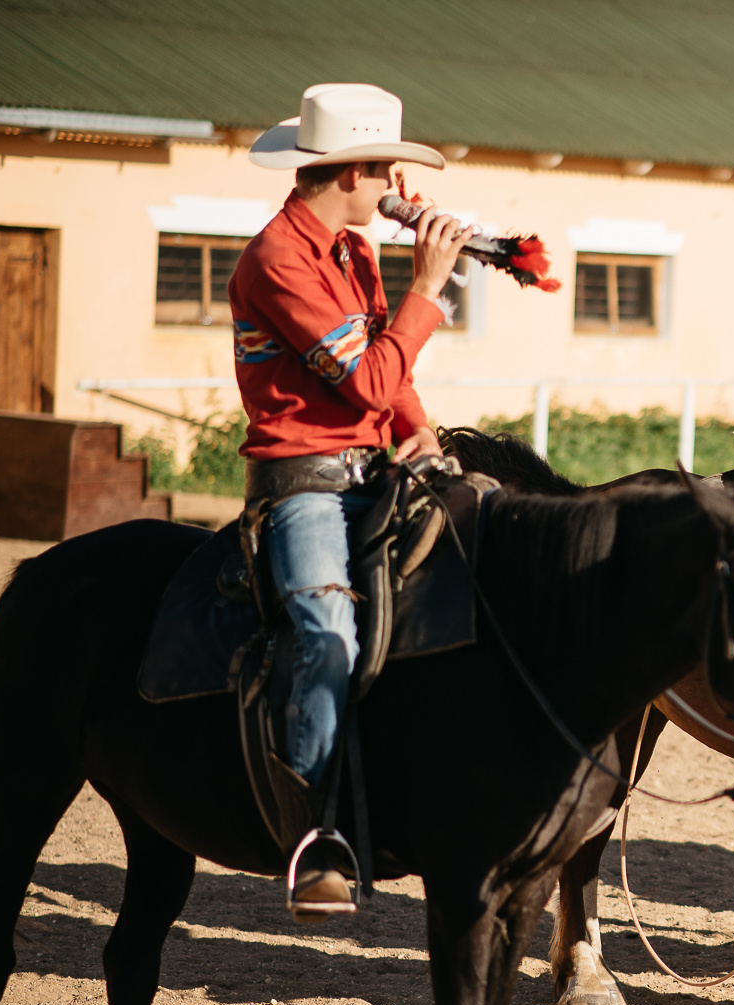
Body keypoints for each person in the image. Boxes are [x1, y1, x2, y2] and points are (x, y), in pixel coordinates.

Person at [235, 83, 469, 919]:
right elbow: (367, 376)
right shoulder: (277, 258)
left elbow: (386, 377)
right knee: (328, 632)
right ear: (348, 173)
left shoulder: (354, 252)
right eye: (385, 173)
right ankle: (315, 842)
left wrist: (423, 437)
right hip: (301, 484)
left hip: (373, 469)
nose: (396, 189)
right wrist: (429, 289)